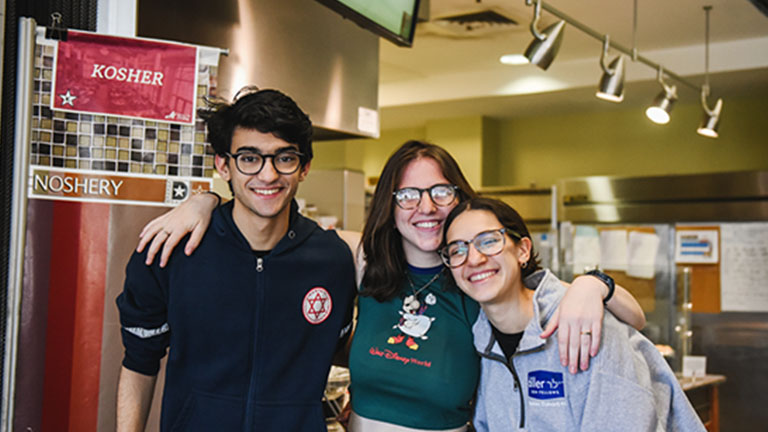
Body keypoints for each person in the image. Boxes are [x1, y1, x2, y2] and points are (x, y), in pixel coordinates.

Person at [138, 140, 646, 431]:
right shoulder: (361, 261)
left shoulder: (480, 275)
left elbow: (634, 316)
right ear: (390, 202)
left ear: (458, 197)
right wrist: (202, 201)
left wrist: (591, 285)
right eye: (408, 194)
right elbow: (273, 219)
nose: (424, 207)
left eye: (439, 192)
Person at [116, 88, 357, 431]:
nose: (268, 175)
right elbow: (139, 362)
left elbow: (343, 347)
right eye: (249, 158)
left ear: (304, 167)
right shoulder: (173, 250)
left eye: (284, 158)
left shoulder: (332, 261)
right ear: (223, 165)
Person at [441, 197, 705, 431]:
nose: (473, 259)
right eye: (457, 250)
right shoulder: (481, 345)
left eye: (488, 241)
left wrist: (596, 282)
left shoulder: (586, 322)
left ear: (522, 250)